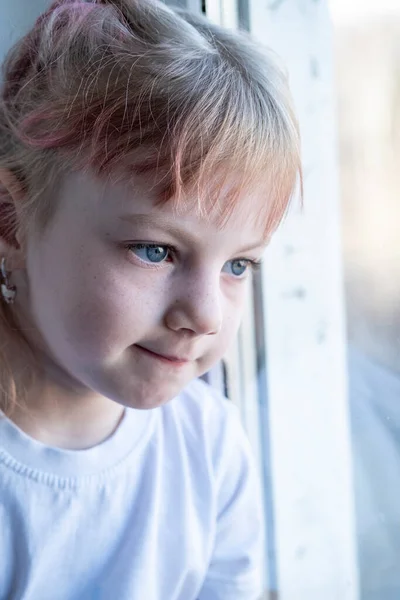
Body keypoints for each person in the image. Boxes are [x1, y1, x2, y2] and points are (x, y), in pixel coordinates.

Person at [0, 1, 301, 598]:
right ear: (10, 221)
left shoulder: (207, 447)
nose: (207, 315)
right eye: (155, 251)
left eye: (238, 265)